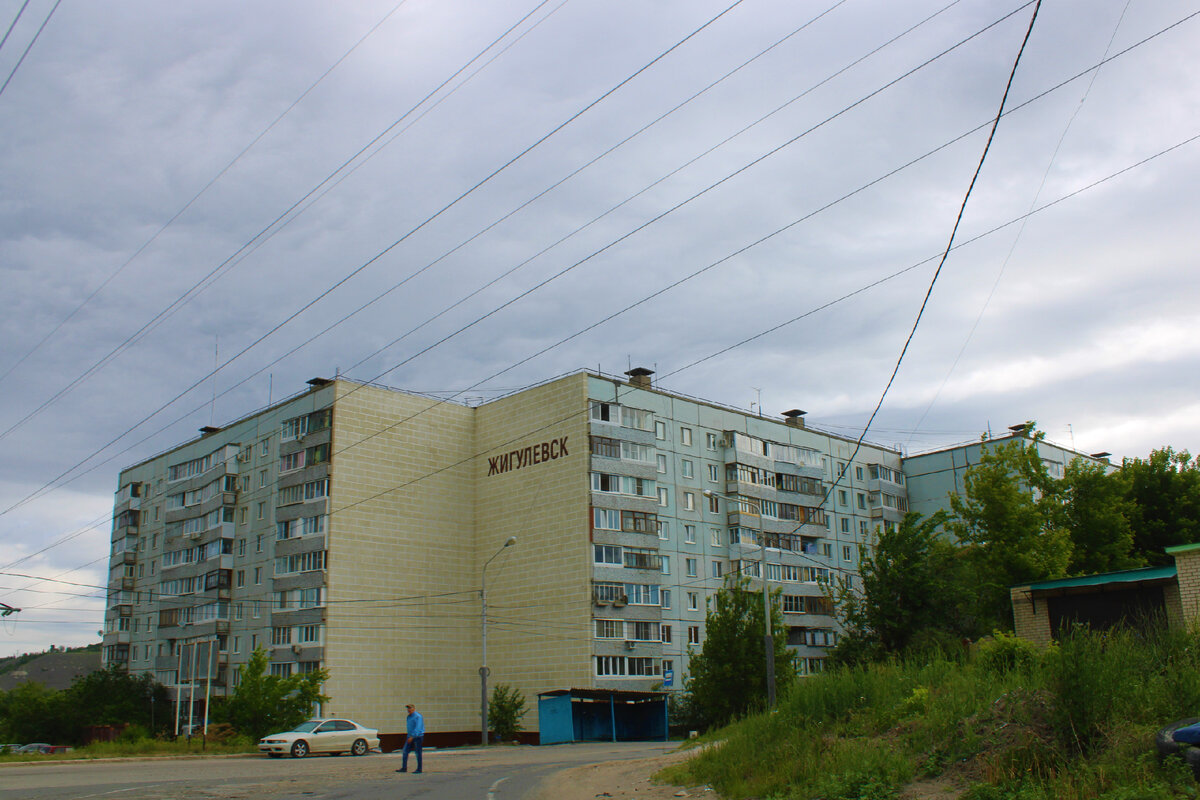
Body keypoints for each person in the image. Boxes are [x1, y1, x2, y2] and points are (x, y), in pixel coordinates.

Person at [396, 703, 424, 774]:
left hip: (417, 737)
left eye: (410, 708)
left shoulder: (418, 717)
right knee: (405, 751)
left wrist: (413, 736)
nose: (409, 710)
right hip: (409, 736)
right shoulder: (408, 717)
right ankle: (404, 767)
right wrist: (409, 736)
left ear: (414, 709)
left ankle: (419, 769)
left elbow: (418, 728)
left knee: (418, 753)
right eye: (408, 708)